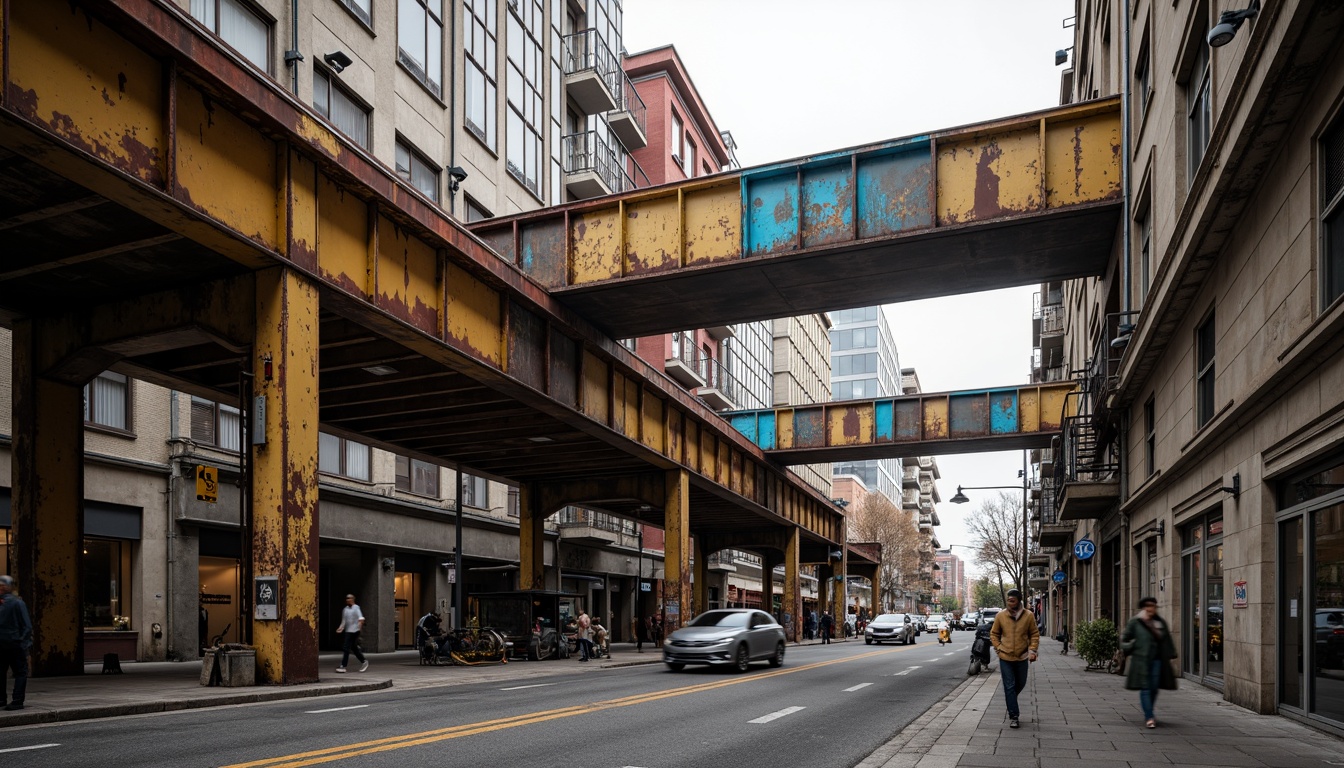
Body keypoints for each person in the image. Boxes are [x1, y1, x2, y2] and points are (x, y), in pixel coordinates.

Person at [1120, 596, 1178, 729]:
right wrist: (1132, 645)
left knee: (1154, 687)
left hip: (1158, 660)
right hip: (1141, 661)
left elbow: (1167, 639)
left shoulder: (1160, 622)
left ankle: (1149, 711)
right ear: (1143, 608)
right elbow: (1124, 639)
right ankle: (1149, 717)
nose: (1150, 608)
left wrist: (1171, 653)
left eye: (1153, 606)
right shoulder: (1135, 622)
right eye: (1148, 606)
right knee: (1146, 688)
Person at [989, 588, 1040, 729]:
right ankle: (1014, 716)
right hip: (1005, 656)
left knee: (1021, 683)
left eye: (1012, 601)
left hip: (1022, 656)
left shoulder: (1028, 616)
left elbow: (1034, 634)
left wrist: (1033, 650)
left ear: (1019, 601)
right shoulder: (1001, 616)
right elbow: (994, 634)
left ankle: (1010, 699)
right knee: (1009, 686)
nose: (1010, 603)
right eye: (1008, 601)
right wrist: (998, 647)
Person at [0, 575, 32, 711]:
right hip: (15, 643)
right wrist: (24, 644)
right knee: (20, 672)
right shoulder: (18, 603)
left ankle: (1, 699)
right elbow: (27, 626)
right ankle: (17, 700)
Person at [335, 593, 369, 673]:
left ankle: (343, 666)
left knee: (346, 647)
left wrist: (360, 628)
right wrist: (341, 628)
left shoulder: (356, 608)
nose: (348, 600)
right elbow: (344, 621)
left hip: (355, 631)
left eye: (349, 598)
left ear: (353, 599)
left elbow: (361, 618)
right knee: (354, 648)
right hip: (348, 631)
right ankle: (364, 661)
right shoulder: (345, 609)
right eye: (347, 598)